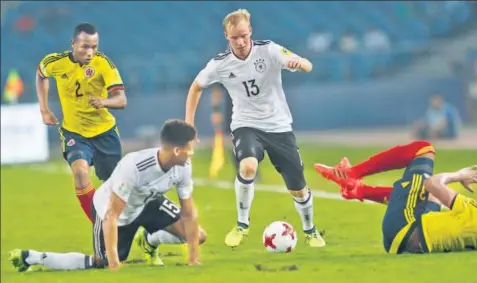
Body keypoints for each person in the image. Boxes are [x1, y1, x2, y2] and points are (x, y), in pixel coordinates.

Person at [185, 9, 325, 248]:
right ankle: (241, 224)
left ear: (250, 32)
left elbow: (308, 65)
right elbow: (195, 87)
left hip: (279, 126)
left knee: (298, 188)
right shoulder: (220, 64)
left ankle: (311, 231)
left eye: (243, 36)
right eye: (234, 38)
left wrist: (299, 63)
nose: (239, 42)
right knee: (248, 166)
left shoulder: (268, 50)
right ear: (226, 36)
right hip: (246, 124)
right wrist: (189, 124)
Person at [9, 120, 206, 271]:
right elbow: (111, 215)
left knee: (197, 236)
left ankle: (149, 240)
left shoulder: (183, 167)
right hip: (111, 212)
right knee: (101, 261)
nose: (191, 153)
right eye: (189, 149)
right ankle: (33, 257)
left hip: (147, 202)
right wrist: (114, 264)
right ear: (177, 150)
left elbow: (189, 213)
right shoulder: (134, 166)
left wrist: (193, 259)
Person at [314, 141, 477, 253]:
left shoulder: (474, 213)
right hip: (410, 241)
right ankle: (358, 190)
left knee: (424, 150)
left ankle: (351, 174)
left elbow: (432, 182)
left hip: (402, 229)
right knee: (427, 196)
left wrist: (459, 175)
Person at [36, 23, 127, 223]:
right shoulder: (56, 62)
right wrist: (44, 109)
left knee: (115, 187)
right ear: (73, 43)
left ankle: (127, 226)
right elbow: (41, 75)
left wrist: (104, 101)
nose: (90, 52)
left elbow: (121, 100)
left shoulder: (104, 64)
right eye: (85, 46)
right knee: (80, 172)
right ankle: (99, 226)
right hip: (74, 133)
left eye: (94, 47)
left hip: (105, 133)